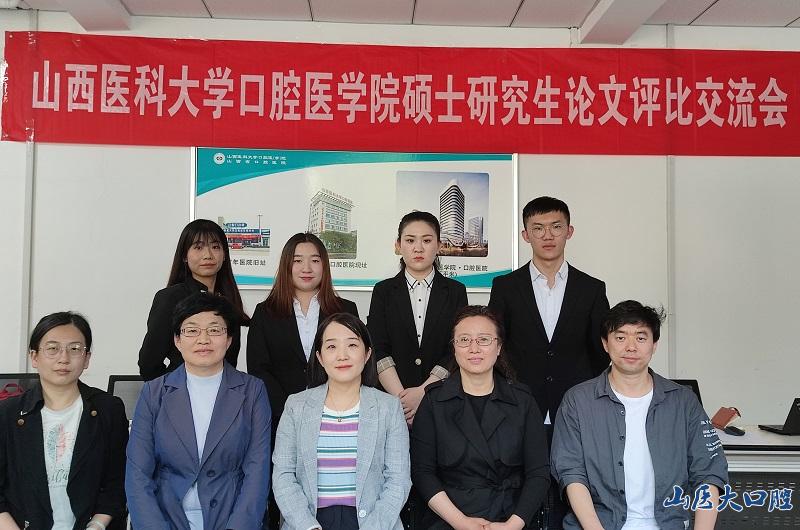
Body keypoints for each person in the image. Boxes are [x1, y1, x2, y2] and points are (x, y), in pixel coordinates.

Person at [551, 300, 728, 530]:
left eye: (641, 338)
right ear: (605, 343)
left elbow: (709, 472)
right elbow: (571, 473)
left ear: (654, 345)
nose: (631, 347)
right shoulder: (578, 401)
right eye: (620, 337)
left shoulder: (684, 402)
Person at [126, 292, 271, 530]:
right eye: (191, 330)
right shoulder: (154, 393)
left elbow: (258, 470)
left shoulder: (252, 391)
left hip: (230, 515)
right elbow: (137, 473)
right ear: (177, 340)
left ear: (229, 339)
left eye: (214, 330)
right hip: (167, 516)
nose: (203, 339)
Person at [411, 305, 550, 530]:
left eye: (484, 340)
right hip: (449, 518)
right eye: (464, 340)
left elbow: (538, 473)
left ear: (499, 347)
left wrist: (513, 525)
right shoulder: (434, 402)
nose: (474, 348)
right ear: (454, 348)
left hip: (510, 517)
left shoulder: (522, 402)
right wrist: (460, 522)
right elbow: (422, 472)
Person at [272, 313, 410, 530]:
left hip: (373, 522)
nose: (342, 355)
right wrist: (308, 526)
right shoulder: (296, 406)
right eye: (331, 347)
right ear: (319, 357)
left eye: (352, 345)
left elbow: (398, 480)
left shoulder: (389, 407)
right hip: (309, 522)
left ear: (367, 354)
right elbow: (283, 475)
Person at [0, 312, 128, 530]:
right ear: (34, 357)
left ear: (87, 358)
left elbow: (117, 481)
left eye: (75, 349)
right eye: (52, 348)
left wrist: (97, 525)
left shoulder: (108, 409)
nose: (64, 358)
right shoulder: (8, 413)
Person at [488, 196, 610, 423]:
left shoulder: (591, 288)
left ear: (569, 231)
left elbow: (602, 349)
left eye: (556, 227)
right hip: (518, 403)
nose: (548, 236)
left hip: (577, 404)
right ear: (526, 235)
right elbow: (496, 342)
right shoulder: (505, 287)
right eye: (538, 228)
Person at [248, 232, 359, 437]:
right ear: (286, 266)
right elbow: (258, 369)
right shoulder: (265, 312)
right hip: (281, 418)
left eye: (315, 261)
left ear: (324, 265)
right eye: (297, 261)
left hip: (337, 416)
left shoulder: (346, 310)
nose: (306, 268)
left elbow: (355, 363)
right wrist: (288, 409)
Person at [367, 211, 468, 425]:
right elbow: (377, 348)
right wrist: (401, 400)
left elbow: (457, 346)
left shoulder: (456, 291)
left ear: (439, 245)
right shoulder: (383, 291)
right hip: (391, 403)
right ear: (398, 245)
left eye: (427, 240)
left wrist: (424, 392)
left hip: (441, 400)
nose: (418, 248)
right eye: (410, 240)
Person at [138, 219, 248, 380]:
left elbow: (230, 361)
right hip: (180, 391)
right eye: (198, 247)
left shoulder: (228, 299)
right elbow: (149, 363)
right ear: (184, 256)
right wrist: (170, 390)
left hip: (224, 391)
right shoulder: (170, 298)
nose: (208, 255)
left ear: (225, 255)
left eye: (215, 247)